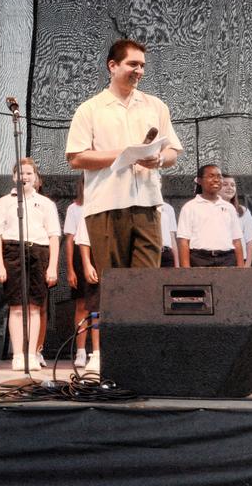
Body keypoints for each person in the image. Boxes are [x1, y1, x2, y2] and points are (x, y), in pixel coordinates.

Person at [65, 39, 183, 305]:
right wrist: (125, 154)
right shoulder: (90, 109)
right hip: (106, 206)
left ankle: (143, 345)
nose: (139, 70)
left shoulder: (156, 106)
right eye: (132, 64)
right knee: (116, 286)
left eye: (142, 65)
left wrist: (159, 159)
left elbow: (173, 152)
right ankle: (115, 346)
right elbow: (76, 157)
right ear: (113, 65)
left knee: (146, 284)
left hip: (147, 205)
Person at [0, 158, 61, 372]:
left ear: (36, 177)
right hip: (13, 251)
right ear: (14, 177)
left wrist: (52, 267)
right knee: (16, 307)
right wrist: (0, 265)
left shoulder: (46, 203)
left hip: (39, 252)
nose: (25, 177)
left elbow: (54, 236)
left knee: (34, 308)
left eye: (29, 173)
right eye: (21, 173)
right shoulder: (4, 202)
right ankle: (19, 354)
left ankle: (31, 354)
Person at [177, 164, 245, 267]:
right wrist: (186, 270)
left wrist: (241, 268)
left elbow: (236, 240)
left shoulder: (229, 207)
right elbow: (183, 242)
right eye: (211, 176)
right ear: (199, 181)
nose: (216, 180)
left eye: (219, 176)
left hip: (227, 259)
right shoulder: (189, 207)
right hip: (199, 259)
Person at [63, 178, 93, 368]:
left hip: (100, 252)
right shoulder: (74, 208)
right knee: (82, 305)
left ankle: (97, 351)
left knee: (100, 306)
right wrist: (71, 269)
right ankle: (80, 351)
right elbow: (69, 240)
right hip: (79, 257)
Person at [72, 215, 102, 375]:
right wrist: (87, 264)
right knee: (96, 309)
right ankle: (96, 353)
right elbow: (83, 240)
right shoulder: (91, 210)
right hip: (96, 258)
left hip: (118, 261)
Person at [220, 173, 252, 267]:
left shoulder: (243, 211)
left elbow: (250, 240)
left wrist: (247, 265)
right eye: (225, 185)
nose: (230, 188)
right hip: (219, 259)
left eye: (233, 185)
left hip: (240, 260)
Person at [159, 201, 179, 268]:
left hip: (166, 253)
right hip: (149, 252)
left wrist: (177, 266)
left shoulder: (168, 208)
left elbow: (172, 238)